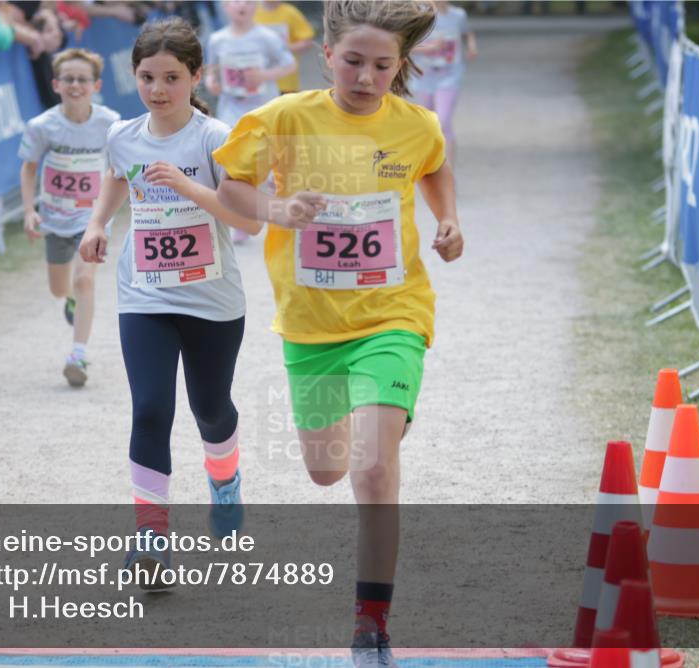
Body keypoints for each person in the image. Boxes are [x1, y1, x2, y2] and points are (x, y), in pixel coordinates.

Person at [213, 1, 464, 665]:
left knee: (374, 468)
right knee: (325, 472)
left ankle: (371, 622)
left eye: (383, 65)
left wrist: (448, 221)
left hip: (394, 315)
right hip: (312, 327)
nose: (366, 75)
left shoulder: (416, 125)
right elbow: (230, 186)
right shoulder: (282, 117)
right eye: (353, 60)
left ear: (400, 67)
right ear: (326, 56)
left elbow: (436, 167)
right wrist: (275, 208)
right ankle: (372, 409)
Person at [79, 17, 260, 583]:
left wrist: (189, 187)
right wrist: (97, 223)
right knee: (151, 409)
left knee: (211, 410)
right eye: (147, 77)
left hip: (212, 299)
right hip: (145, 295)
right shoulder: (122, 135)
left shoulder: (214, 138)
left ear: (196, 76)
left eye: (171, 78)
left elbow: (244, 217)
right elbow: (116, 176)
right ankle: (151, 540)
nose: (158, 90)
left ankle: (225, 481)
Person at [19, 48, 120, 388]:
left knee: (85, 279)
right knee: (60, 287)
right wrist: (29, 210)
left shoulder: (110, 123)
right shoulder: (43, 126)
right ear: (56, 84)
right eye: (69, 79)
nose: (76, 85)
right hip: (55, 217)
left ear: (96, 85)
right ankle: (72, 301)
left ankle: (78, 355)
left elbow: (120, 168)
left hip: (91, 217)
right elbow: (29, 167)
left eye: (83, 80)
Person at [206, 0, 294, 244]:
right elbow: (211, 69)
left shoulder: (266, 37)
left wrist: (264, 75)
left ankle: (282, 211)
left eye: (246, 1)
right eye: (234, 1)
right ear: (225, 7)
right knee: (235, 165)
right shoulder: (217, 40)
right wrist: (212, 82)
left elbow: (289, 64)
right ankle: (242, 221)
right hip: (232, 109)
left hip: (264, 108)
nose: (241, 5)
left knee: (272, 167)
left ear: (255, 6)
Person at [411, 0, 476, 165]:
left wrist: (471, 46)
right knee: (427, 124)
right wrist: (431, 48)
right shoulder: (419, 15)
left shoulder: (458, 15)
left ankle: (447, 169)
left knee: (444, 120)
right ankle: (429, 164)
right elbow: (404, 46)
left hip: (449, 75)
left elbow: (467, 32)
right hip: (423, 77)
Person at [254, 0, 315, 94]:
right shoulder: (251, 11)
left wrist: (283, 48)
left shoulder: (290, 13)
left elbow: (307, 42)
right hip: (258, 83)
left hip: (286, 82)